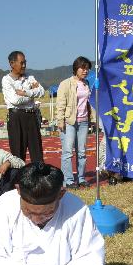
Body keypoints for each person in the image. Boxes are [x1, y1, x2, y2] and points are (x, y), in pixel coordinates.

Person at [56, 56, 95, 189]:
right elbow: (60, 103)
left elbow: (89, 103)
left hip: (83, 122)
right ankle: (68, 180)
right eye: (82, 68)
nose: (85, 71)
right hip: (69, 122)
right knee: (67, 152)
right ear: (76, 68)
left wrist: (92, 119)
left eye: (87, 68)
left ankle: (81, 178)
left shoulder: (87, 84)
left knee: (82, 152)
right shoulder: (66, 83)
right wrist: (60, 120)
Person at [2, 51, 45, 163]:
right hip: (16, 118)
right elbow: (15, 100)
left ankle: (38, 178)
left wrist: (25, 93)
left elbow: (42, 91)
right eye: (22, 63)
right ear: (12, 63)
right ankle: (19, 179)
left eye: (25, 62)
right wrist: (32, 93)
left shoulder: (30, 77)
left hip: (31, 116)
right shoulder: (6, 80)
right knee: (18, 153)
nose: (24, 66)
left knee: (37, 152)